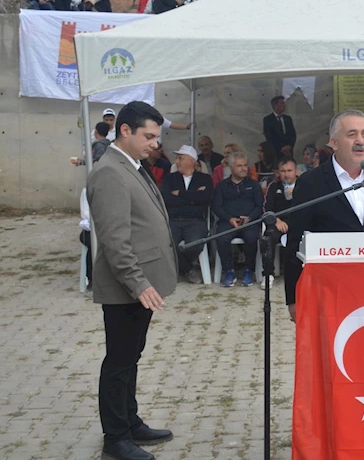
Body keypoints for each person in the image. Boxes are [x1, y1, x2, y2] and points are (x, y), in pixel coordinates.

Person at [86, 101, 175, 460]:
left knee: (130, 355)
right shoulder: (109, 172)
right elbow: (115, 240)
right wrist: (138, 284)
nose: (155, 143)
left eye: (157, 136)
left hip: (140, 285)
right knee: (120, 360)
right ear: (125, 131)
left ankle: (130, 420)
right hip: (127, 287)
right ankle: (116, 437)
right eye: (148, 136)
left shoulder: (131, 164)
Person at [285, 109, 364, 321]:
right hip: (331, 289)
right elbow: (296, 241)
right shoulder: (311, 182)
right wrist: (293, 298)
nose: (360, 141)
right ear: (334, 142)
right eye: (352, 134)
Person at [161, 145, 213, 284]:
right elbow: (166, 199)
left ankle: (181, 266)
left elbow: (205, 198)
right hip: (173, 220)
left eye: (180, 158)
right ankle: (188, 268)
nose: (176, 161)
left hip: (195, 221)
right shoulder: (169, 178)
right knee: (165, 244)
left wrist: (180, 193)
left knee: (195, 244)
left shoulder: (205, 178)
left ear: (191, 161)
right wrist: (193, 197)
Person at [213, 152, 264, 287]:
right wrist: (229, 219)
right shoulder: (222, 186)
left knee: (251, 237)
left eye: (245, 165)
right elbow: (216, 207)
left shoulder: (254, 185)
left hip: (250, 222)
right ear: (231, 167)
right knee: (221, 237)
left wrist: (250, 218)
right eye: (239, 166)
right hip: (228, 222)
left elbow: (260, 206)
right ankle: (229, 271)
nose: (243, 168)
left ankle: (248, 271)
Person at [264, 157, 298, 249]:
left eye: (289, 170)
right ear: (278, 172)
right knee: (268, 237)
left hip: (299, 223)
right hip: (280, 222)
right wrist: (276, 220)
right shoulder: (274, 186)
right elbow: (267, 208)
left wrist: (296, 194)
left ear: (296, 171)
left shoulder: (303, 185)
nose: (286, 174)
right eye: (283, 171)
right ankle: (269, 264)